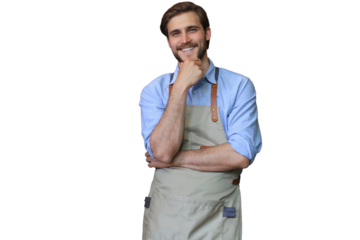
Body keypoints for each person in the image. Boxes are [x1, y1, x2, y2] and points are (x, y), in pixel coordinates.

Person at [139, 1, 263, 239]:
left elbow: (241, 155)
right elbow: (162, 152)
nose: (184, 39)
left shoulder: (240, 85)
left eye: (192, 29)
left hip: (218, 219)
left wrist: (174, 160)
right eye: (176, 33)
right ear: (168, 42)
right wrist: (181, 87)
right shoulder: (153, 89)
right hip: (164, 217)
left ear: (208, 33)